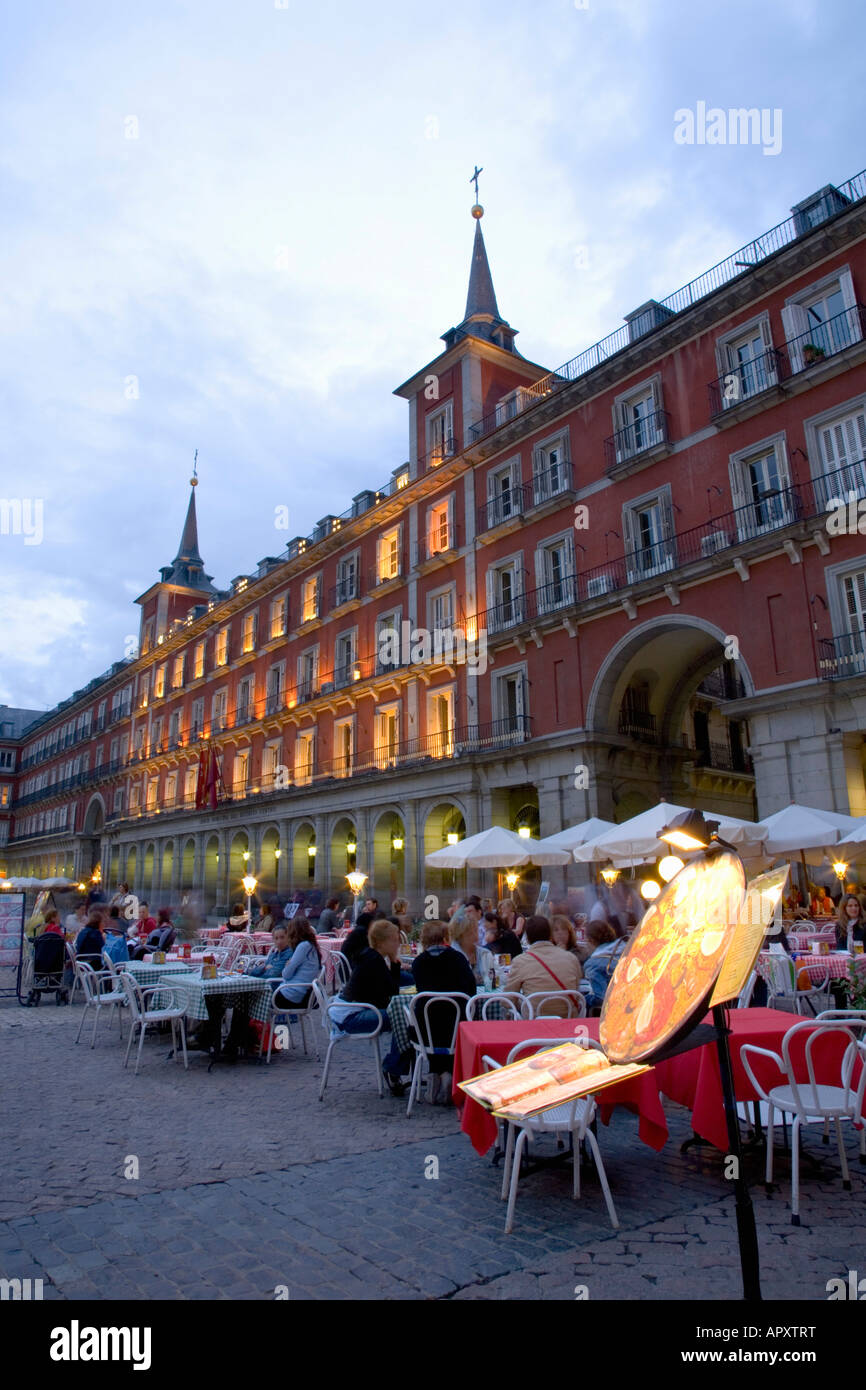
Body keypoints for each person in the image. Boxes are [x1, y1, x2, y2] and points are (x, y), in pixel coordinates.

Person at [328, 919, 408, 1094]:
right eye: (394, 940)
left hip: (352, 1010)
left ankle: (395, 1067)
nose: (398, 943)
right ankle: (393, 1068)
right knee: (406, 1019)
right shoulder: (373, 960)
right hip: (351, 1017)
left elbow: (386, 994)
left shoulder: (371, 956)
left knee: (406, 1016)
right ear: (382, 942)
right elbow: (390, 994)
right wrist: (395, 963)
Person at [409, 920, 476, 1102]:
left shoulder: (419, 963)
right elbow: (471, 992)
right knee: (453, 1026)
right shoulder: (458, 959)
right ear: (446, 937)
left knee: (425, 1026)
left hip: (427, 1027)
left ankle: (434, 1073)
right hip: (456, 1026)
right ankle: (448, 1072)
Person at [505, 916, 583, 1015]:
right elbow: (576, 990)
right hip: (568, 1019)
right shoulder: (571, 958)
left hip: (534, 1021)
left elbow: (507, 1001)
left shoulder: (520, 961)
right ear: (550, 935)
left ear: (527, 939)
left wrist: (524, 1004)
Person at [273, 918, 323, 1006]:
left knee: (258, 997)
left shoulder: (303, 947)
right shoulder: (311, 946)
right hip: (300, 993)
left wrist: (288, 965)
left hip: (292, 995)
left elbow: (286, 974)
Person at [582, 921, 626, 1010]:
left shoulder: (592, 964)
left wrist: (583, 999)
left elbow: (601, 998)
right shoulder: (627, 950)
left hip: (614, 1011)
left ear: (591, 941)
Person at [449, 911, 494, 986]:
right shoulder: (451, 956)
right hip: (462, 996)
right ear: (461, 934)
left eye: (476, 929)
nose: (476, 933)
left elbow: (498, 979)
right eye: (472, 930)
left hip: (485, 996)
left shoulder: (485, 953)